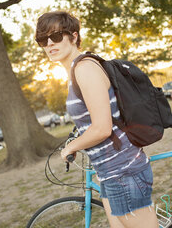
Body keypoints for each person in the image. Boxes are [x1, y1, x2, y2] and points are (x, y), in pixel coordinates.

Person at [35, 11, 159, 228]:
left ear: (73, 37)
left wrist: (71, 147)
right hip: (111, 173)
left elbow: (102, 128)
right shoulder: (76, 71)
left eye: (55, 36)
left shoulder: (84, 69)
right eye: (42, 40)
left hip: (123, 170)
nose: (49, 44)